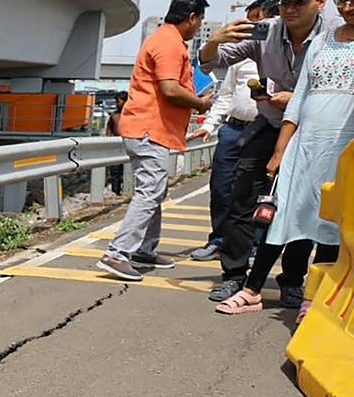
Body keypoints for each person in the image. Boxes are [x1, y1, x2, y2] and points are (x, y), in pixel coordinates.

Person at [215, 0, 354, 318]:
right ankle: (251, 290)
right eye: (342, 0)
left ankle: (313, 296)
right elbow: (300, 97)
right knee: (281, 218)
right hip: (303, 146)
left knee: (329, 226)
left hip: (344, 152)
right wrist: (280, 151)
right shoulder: (321, 42)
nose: (348, 7)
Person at [97, 0, 214, 282]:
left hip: (147, 128)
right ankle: (118, 253)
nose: (198, 26)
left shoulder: (164, 39)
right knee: (150, 191)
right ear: (192, 17)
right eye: (199, 21)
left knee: (153, 191)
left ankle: (145, 250)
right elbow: (170, 89)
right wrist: (200, 103)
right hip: (150, 128)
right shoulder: (170, 44)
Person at [188, 1, 265, 261]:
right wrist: (210, 125)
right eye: (249, 20)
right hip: (233, 129)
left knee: (256, 193)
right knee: (221, 188)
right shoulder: (239, 55)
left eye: (258, 19)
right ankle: (219, 239)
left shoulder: (281, 55)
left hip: (263, 130)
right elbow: (226, 95)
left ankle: (253, 245)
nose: (252, 25)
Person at [105, 91, 129, 195]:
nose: (116, 104)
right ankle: (116, 191)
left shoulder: (132, 115)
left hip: (129, 146)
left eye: (118, 101)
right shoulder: (114, 116)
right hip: (116, 147)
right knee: (115, 171)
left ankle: (128, 190)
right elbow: (109, 129)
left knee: (128, 170)